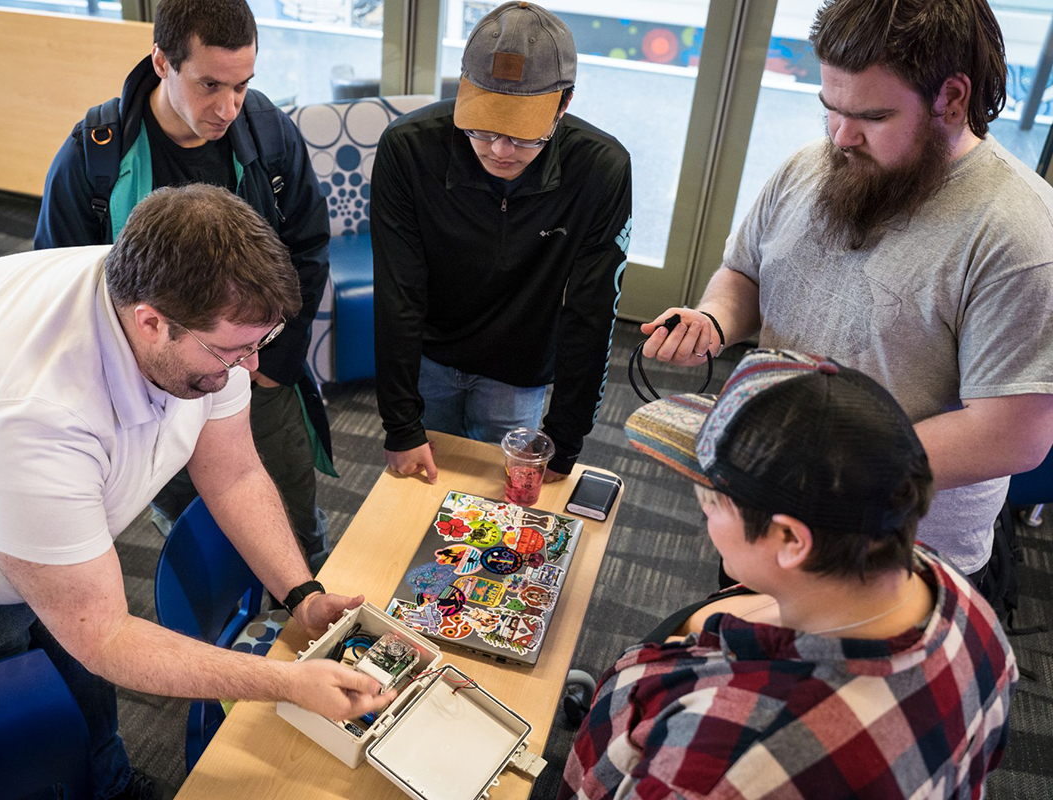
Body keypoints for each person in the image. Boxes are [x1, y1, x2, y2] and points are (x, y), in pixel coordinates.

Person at [0, 187, 392, 800]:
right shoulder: (35, 410)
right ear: (151, 322)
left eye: (257, 345)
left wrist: (301, 594)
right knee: (9, 738)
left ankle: (109, 785)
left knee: (84, 692)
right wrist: (284, 682)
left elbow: (233, 471)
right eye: (233, 351)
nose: (247, 369)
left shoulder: (192, 305)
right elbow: (105, 636)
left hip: (1, 472)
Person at [642, 0, 1053, 583]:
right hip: (770, 518)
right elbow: (746, 274)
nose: (840, 135)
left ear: (952, 100)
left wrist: (821, 459)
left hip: (892, 560)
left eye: (873, 116)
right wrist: (714, 321)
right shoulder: (812, 166)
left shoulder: (1019, 233)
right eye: (829, 109)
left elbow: (1013, 435)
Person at [560, 348, 1018, 799]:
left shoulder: (717, 768)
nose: (703, 513)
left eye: (712, 501)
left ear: (791, 540)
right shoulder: (954, 594)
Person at [35, 0, 333, 570]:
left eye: (242, 85)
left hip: (253, 374)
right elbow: (57, 287)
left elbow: (308, 250)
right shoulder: (94, 158)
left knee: (294, 520)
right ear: (162, 62)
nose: (228, 107)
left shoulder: (267, 131)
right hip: (149, 391)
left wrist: (272, 365)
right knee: (192, 533)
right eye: (209, 85)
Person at [372, 1, 632, 484]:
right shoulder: (408, 148)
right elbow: (396, 291)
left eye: (523, 134)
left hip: (519, 371)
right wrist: (401, 425)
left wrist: (564, 440)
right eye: (484, 125)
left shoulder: (599, 168)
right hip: (428, 354)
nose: (499, 149)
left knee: (503, 519)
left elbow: (592, 311)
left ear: (564, 103)